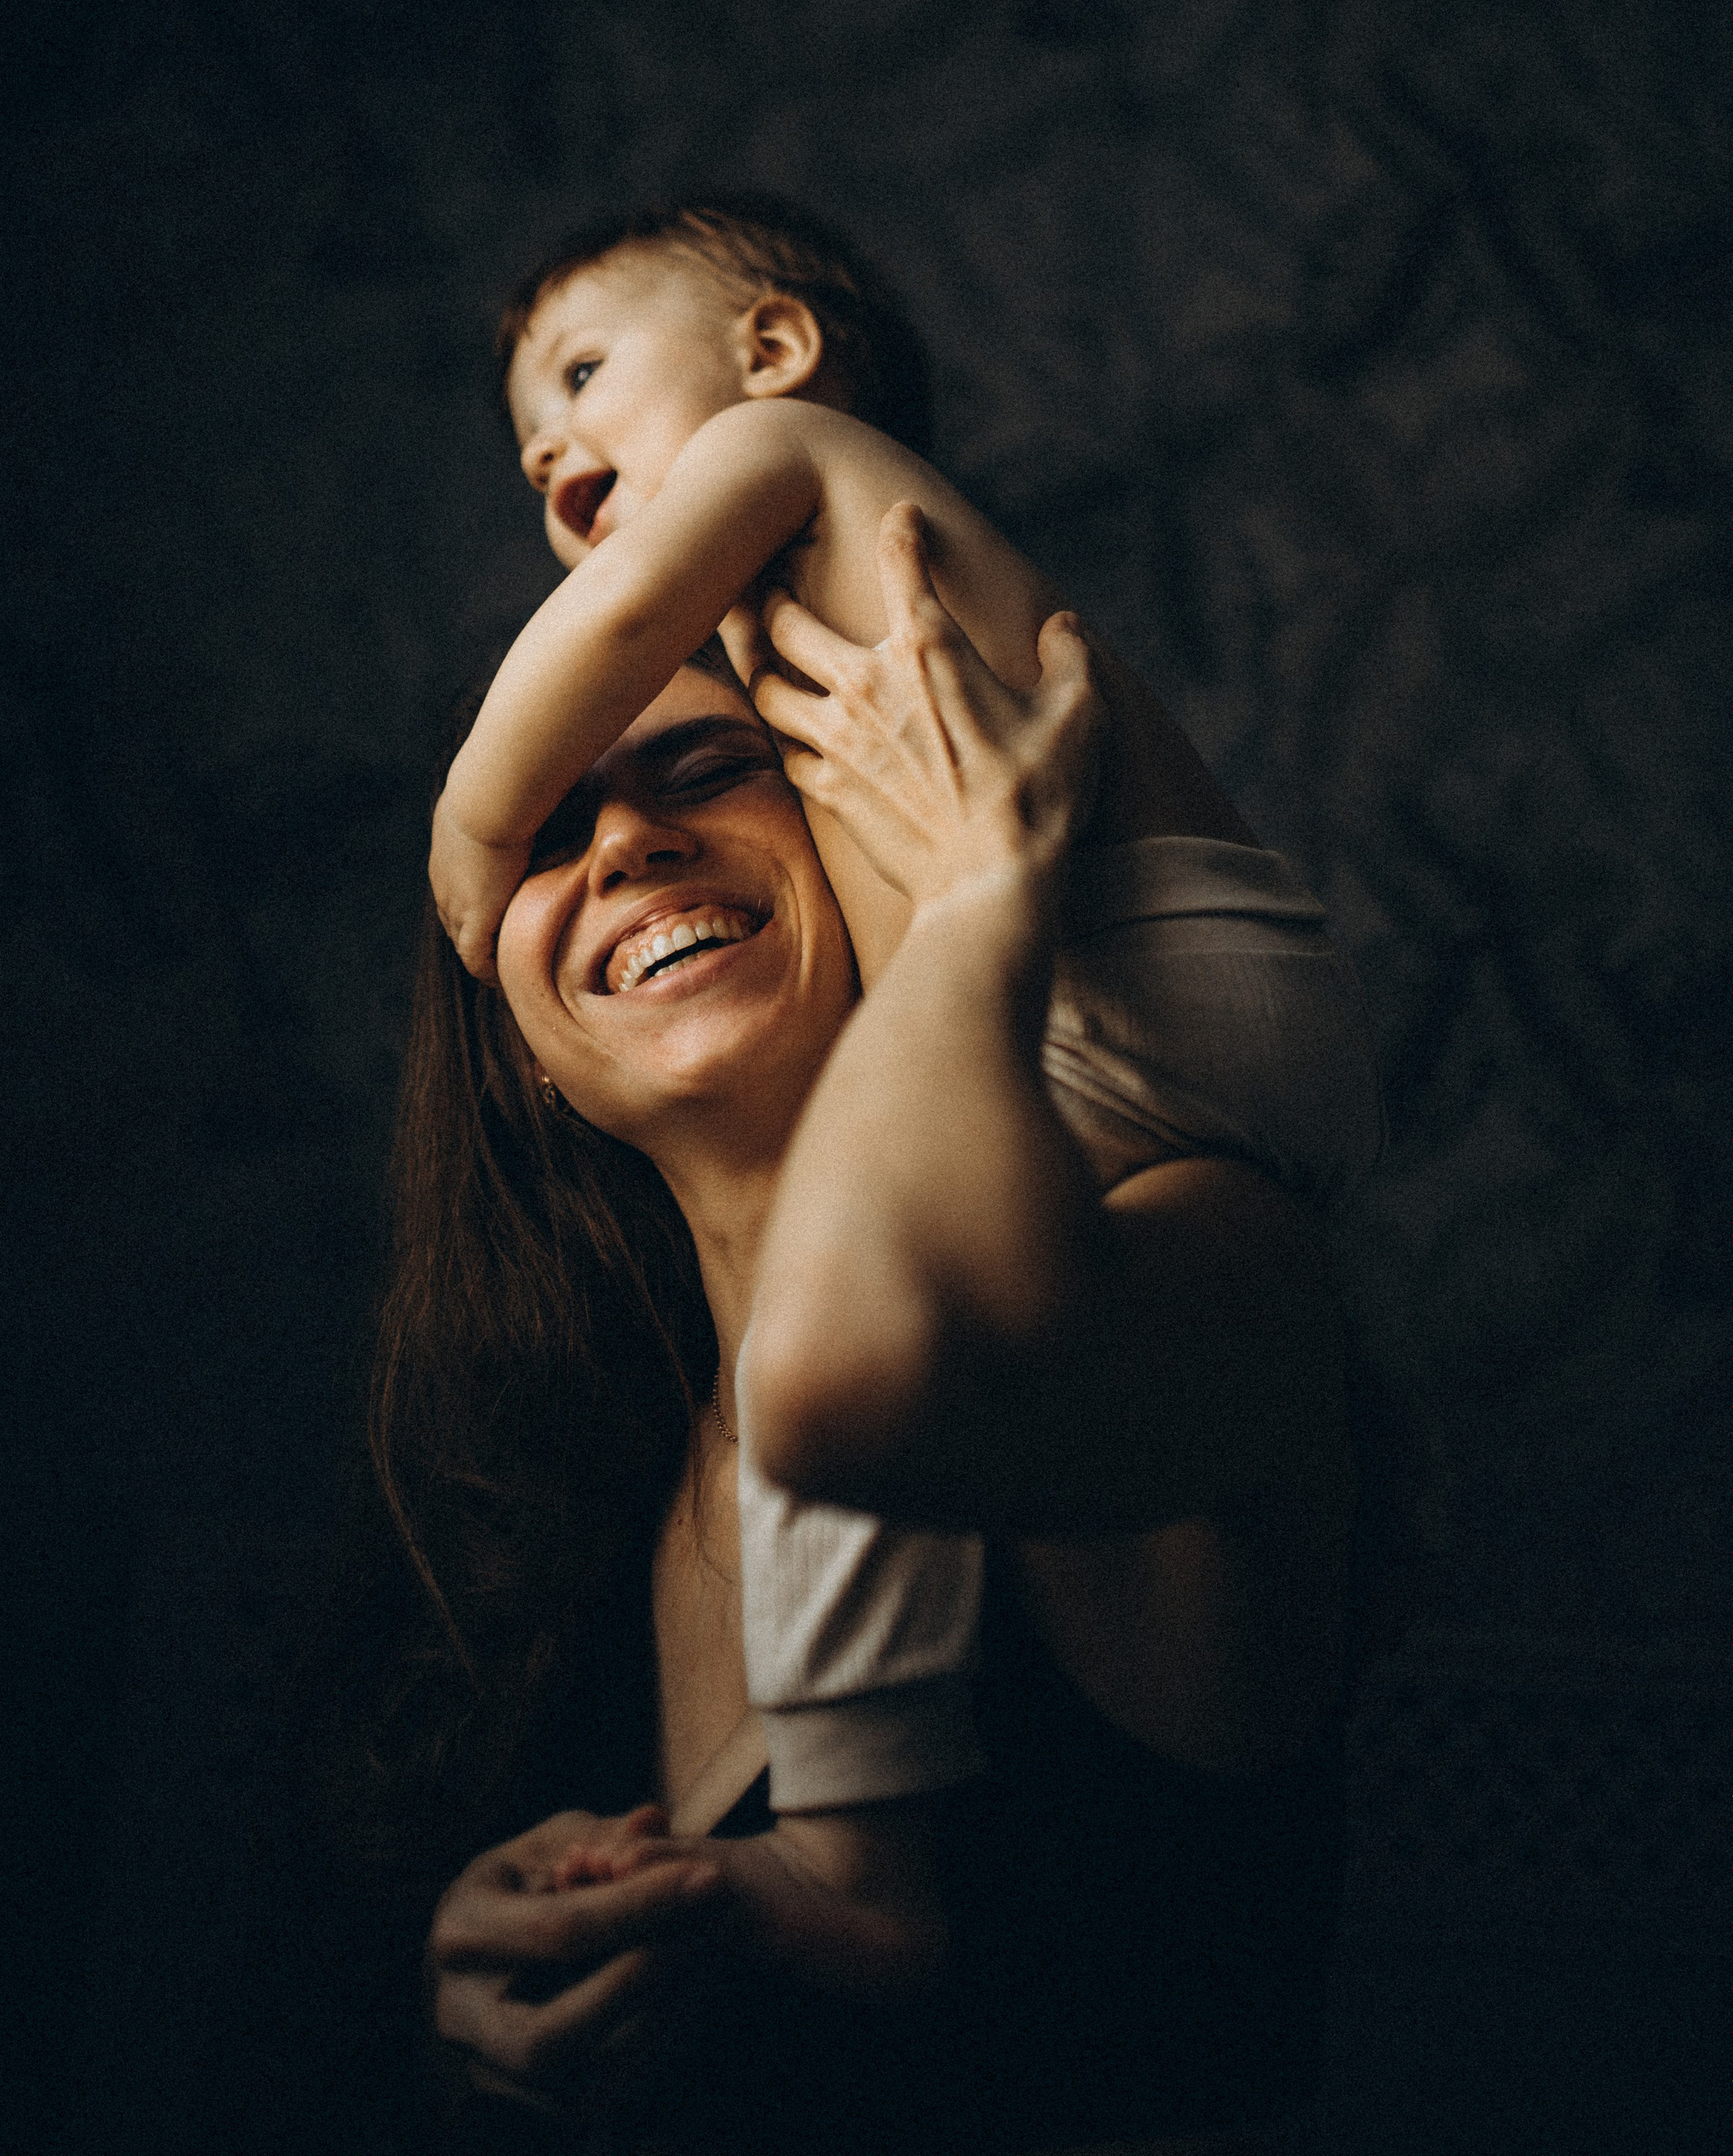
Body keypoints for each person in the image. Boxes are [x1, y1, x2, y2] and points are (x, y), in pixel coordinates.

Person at [362, 514, 1365, 2151]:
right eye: (546, 833)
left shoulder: (1209, 1259)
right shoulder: (571, 1496)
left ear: (850, 828)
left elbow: (871, 1364)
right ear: (524, 1050)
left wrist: (979, 906)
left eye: (701, 769)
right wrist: (482, 2028)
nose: (622, 841)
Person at [421, 200, 1382, 1857]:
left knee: (825, 1370)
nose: (547, 454)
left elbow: (621, 617)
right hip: (1011, 1112)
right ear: (510, 1039)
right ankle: (851, 1863)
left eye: (583, 375)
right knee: (812, 1371)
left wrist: (473, 823)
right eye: (550, 841)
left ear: (774, 352)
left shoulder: (789, 460)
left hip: (1176, 1011)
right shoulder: (569, 1531)